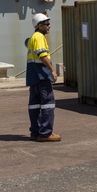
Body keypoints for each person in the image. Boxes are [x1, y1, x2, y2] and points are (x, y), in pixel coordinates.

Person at [27, 13, 60, 142]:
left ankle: (35, 132)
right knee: (47, 104)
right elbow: (42, 55)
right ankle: (46, 133)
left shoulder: (32, 38)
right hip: (42, 75)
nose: (49, 26)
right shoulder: (39, 37)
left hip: (33, 76)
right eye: (47, 24)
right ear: (39, 26)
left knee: (34, 105)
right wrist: (52, 71)